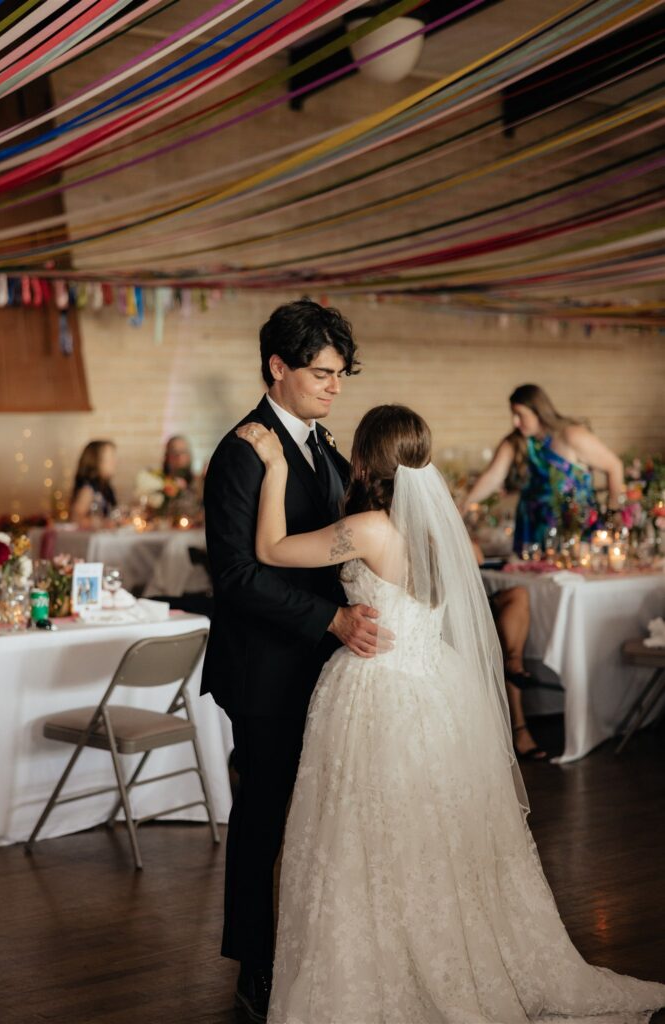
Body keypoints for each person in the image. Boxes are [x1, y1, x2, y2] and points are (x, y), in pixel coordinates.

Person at [238, 404, 665, 1024]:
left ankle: (386, 968)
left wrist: (276, 466)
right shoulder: (447, 533)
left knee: (369, 840)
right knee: (437, 836)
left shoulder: (369, 529)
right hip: (437, 689)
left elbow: (270, 549)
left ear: (365, 459)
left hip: (377, 694)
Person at [200, 299, 393, 1023]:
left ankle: (319, 948)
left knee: (320, 816)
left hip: (325, 666)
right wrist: (331, 619)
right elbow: (237, 575)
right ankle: (254, 963)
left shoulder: (323, 444)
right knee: (264, 817)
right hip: (266, 670)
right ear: (277, 367)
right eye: (321, 373)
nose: (334, 386)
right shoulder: (240, 452)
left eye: (341, 374)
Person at [462, 384, 623, 554]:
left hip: (573, 529)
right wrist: (466, 502)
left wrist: (613, 511)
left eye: (520, 415)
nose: (515, 422)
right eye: (513, 415)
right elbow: (493, 476)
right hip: (531, 530)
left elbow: (614, 466)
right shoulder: (516, 442)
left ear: (538, 411)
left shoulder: (571, 435)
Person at [473, 541, 547, 760]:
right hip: (448, 607)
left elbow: (478, 557)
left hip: (478, 603)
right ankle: (520, 730)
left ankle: (513, 661)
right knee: (505, 642)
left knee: (519, 594)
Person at [70, 440, 117, 528]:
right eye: (110, 458)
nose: (114, 462)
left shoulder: (106, 488)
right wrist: (102, 523)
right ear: (96, 461)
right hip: (92, 536)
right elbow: (76, 518)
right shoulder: (88, 489)